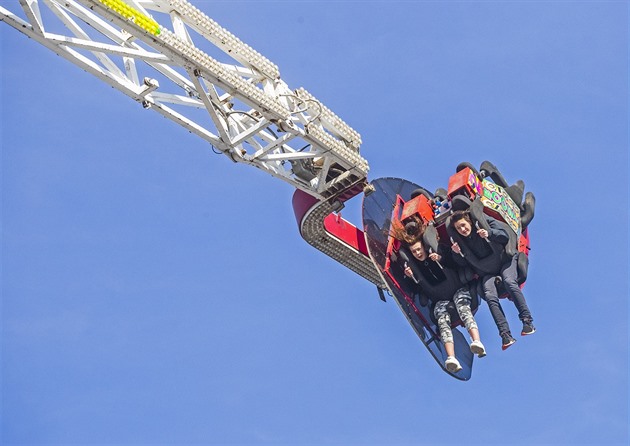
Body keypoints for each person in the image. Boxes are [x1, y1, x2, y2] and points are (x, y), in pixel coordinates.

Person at [449, 209, 535, 350]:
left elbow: (504, 235)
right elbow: (464, 265)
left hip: (504, 262)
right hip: (488, 272)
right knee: (489, 295)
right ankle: (505, 334)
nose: (463, 229)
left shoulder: (484, 223)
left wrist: (489, 233)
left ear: (469, 222)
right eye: (459, 228)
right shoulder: (462, 244)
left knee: (509, 281)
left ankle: (527, 321)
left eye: (463, 225)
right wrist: (457, 254)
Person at [400, 237, 486, 373]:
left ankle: (476, 341)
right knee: (442, 320)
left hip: (457, 289)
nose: (417, 253)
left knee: (463, 308)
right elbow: (416, 290)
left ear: (423, 247)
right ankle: (451, 358)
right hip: (440, 299)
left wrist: (440, 258)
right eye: (414, 252)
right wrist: (410, 277)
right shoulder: (416, 269)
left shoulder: (439, 252)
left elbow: (455, 262)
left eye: (418, 249)